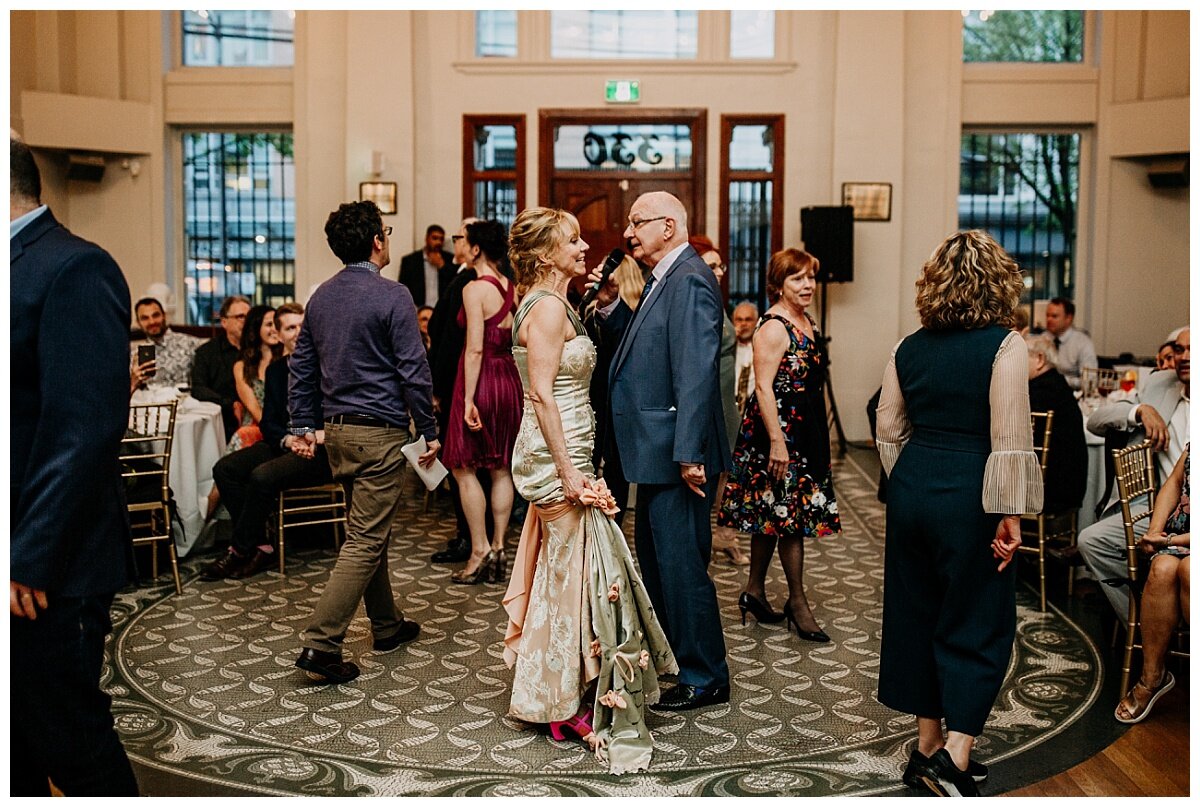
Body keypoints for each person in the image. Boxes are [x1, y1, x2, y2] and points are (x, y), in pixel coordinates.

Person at [501, 207, 677, 775]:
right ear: (545, 255)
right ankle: (555, 701)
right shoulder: (549, 308)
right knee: (568, 577)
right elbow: (543, 397)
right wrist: (570, 471)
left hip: (568, 450)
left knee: (570, 574)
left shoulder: (553, 303)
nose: (584, 247)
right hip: (558, 457)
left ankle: (562, 687)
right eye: (571, 240)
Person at [875, 230, 1042, 797]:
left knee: (916, 614)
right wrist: (1010, 513)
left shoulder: (907, 345)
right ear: (998, 282)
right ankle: (955, 754)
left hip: (913, 486)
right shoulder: (1005, 344)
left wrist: (913, 484)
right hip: (973, 491)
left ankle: (924, 746)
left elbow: (888, 430)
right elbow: (1010, 433)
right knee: (977, 618)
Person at [10, 135, 140, 794]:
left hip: (48, 563)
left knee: (69, 735)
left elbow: (82, 429)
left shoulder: (71, 267)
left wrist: (27, 556)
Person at [288, 201, 440, 685]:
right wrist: (430, 431)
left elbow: (302, 368)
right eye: (387, 231)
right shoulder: (393, 295)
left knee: (368, 531)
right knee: (364, 539)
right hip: (380, 434)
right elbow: (414, 371)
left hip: (338, 434)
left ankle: (388, 625)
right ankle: (321, 644)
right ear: (377, 240)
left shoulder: (321, 297)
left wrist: (300, 425)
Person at [591, 191, 731, 712]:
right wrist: (607, 309)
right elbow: (643, 344)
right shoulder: (663, 276)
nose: (628, 232)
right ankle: (683, 663)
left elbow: (696, 372)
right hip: (652, 450)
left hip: (675, 453)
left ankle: (707, 675)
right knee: (658, 563)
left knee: (681, 566)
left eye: (637, 222)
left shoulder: (691, 277)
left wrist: (691, 451)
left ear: (668, 226)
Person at [719, 248, 840, 637]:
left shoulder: (807, 321)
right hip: (776, 434)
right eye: (797, 279)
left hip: (803, 431)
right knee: (789, 521)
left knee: (770, 516)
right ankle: (797, 601)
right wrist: (777, 443)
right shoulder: (773, 326)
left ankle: (754, 590)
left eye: (810, 277)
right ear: (779, 285)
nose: (807, 285)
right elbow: (764, 389)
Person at [202, 303, 334, 581]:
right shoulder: (276, 371)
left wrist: (310, 438)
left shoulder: (328, 364)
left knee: (261, 476)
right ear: (279, 333)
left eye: (301, 326)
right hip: (286, 445)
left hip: (321, 450)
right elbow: (270, 423)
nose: (298, 332)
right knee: (225, 469)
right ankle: (260, 543)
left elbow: (336, 415)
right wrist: (288, 441)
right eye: (290, 327)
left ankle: (238, 549)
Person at [1077, 328, 1189, 621]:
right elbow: (1097, 421)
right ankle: (1144, 630)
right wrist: (1140, 410)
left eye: (1193, 349)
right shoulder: (1160, 382)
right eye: (1179, 349)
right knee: (1091, 541)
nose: (1184, 357)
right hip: (1154, 509)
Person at [440, 220, 523, 584]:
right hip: (508, 379)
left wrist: (469, 399)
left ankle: (479, 550)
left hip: (481, 378)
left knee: (463, 467)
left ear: (475, 250)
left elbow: (474, 347)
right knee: (501, 467)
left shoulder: (474, 289)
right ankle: (501, 545)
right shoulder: (512, 287)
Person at [1114, 446, 1188, 723]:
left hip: (1187, 542)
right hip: (1180, 538)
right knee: (1162, 568)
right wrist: (1155, 530)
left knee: (1191, 571)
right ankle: (1153, 676)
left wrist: (1168, 541)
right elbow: (1174, 482)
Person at [427, 217, 485, 565]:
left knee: (461, 462)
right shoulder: (481, 277)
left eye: (458, 236)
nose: (454, 241)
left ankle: (468, 537)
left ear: (474, 245)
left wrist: (437, 386)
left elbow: (449, 337)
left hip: (459, 380)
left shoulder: (468, 279)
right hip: (472, 379)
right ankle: (475, 535)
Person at [691, 235, 750, 567]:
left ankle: (724, 535)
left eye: (720, 265)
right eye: (711, 265)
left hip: (726, 401)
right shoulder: (699, 300)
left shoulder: (715, 297)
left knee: (729, 473)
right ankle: (716, 538)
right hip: (712, 400)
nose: (719, 271)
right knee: (716, 474)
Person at [583, 254, 645, 522]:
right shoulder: (591, 313)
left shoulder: (634, 316)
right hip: (589, 405)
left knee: (615, 481)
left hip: (622, 410)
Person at [1025, 332, 1087, 515]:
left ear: (1040, 359)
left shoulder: (1040, 392)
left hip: (1051, 490)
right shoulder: (1056, 384)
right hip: (1068, 486)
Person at [192, 294, 252, 438]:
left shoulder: (259, 349)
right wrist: (229, 404)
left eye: (248, 317)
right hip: (222, 418)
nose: (246, 322)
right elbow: (198, 389)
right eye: (240, 317)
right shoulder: (207, 352)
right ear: (224, 322)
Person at [227, 304, 282, 454]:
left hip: (283, 426)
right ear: (255, 329)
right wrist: (272, 429)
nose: (275, 329)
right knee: (243, 434)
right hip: (256, 424)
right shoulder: (242, 367)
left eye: (277, 324)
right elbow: (254, 409)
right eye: (269, 324)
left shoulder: (285, 361)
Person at [129, 296, 204, 391]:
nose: (152, 322)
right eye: (145, 318)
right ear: (138, 323)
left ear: (164, 315)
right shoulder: (134, 354)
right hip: (150, 403)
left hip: (185, 402)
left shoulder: (191, 344)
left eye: (156, 315)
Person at [1044, 296, 1097, 390]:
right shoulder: (1042, 339)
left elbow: (1090, 381)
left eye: (1054, 316)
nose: (1049, 320)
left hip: (1072, 395)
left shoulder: (1082, 342)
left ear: (1069, 318)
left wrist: (1059, 381)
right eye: (1047, 315)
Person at [399, 223, 456, 307]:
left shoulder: (450, 259)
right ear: (426, 238)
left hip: (442, 310)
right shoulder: (410, 261)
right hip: (418, 310)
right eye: (434, 238)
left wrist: (442, 266)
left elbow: (455, 284)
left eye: (441, 239)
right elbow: (402, 289)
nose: (438, 242)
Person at [732, 301, 759, 411]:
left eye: (748, 320)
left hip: (753, 405)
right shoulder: (726, 349)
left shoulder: (762, 347)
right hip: (730, 404)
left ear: (756, 322)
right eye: (739, 320)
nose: (743, 324)